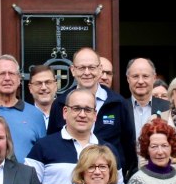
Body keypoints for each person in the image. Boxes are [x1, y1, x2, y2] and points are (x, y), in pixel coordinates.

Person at [47, 47, 137, 176]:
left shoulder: (118, 103)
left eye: (92, 67)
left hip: (108, 178)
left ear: (100, 70)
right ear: (73, 70)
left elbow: (128, 145)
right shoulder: (60, 104)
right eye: (81, 68)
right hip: (68, 177)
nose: (87, 72)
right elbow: (52, 141)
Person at [0, 54, 46, 161]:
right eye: (2, 74)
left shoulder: (35, 114)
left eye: (12, 74)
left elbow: (43, 153)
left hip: (26, 177)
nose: (7, 78)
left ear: (19, 79)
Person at [126, 57, 170, 134]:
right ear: (128, 79)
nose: (140, 81)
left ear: (154, 78)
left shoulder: (168, 108)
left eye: (145, 76)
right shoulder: (119, 107)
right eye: (135, 76)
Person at [27, 64, 58, 129]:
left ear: (56, 86)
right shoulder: (24, 116)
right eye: (38, 83)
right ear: (30, 88)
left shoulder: (68, 114)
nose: (43, 87)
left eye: (48, 82)